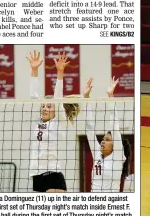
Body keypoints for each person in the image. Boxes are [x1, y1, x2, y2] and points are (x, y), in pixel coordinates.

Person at [28, 50, 93, 192]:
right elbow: (33, 96)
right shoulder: (38, 121)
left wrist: (60, 73)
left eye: (48, 106)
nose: (44, 108)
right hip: (36, 176)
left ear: (56, 109)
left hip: (53, 175)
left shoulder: (58, 122)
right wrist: (34, 69)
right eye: (43, 105)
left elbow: (58, 97)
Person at [86, 77, 131, 192]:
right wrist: (86, 99)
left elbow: (114, 128)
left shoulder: (117, 157)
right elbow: (89, 130)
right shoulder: (97, 153)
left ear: (115, 144)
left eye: (107, 140)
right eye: (103, 139)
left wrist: (111, 96)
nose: (102, 141)